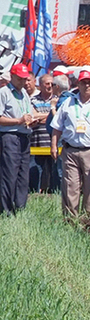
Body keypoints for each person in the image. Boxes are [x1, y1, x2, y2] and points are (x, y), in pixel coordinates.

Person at [49, 70, 90, 217]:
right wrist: (54, 146)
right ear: (78, 84)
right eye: (84, 82)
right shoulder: (67, 103)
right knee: (71, 186)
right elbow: (57, 127)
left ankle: (89, 217)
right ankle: (71, 219)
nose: (87, 85)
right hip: (70, 150)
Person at [0, 64, 46, 214]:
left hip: (25, 136)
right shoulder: (3, 93)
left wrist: (31, 121)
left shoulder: (24, 94)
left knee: (23, 174)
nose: (23, 82)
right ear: (12, 77)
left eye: (25, 79)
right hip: (9, 136)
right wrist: (18, 120)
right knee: (9, 174)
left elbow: (28, 114)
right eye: (20, 79)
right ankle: (6, 210)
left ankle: (20, 208)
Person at [29, 73, 58, 193]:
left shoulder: (58, 99)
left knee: (54, 171)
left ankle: (53, 194)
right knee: (36, 170)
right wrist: (50, 114)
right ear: (40, 85)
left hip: (53, 141)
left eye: (52, 83)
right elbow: (32, 116)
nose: (50, 86)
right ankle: (34, 193)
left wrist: (41, 117)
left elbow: (58, 118)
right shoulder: (33, 100)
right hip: (37, 141)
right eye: (47, 83)